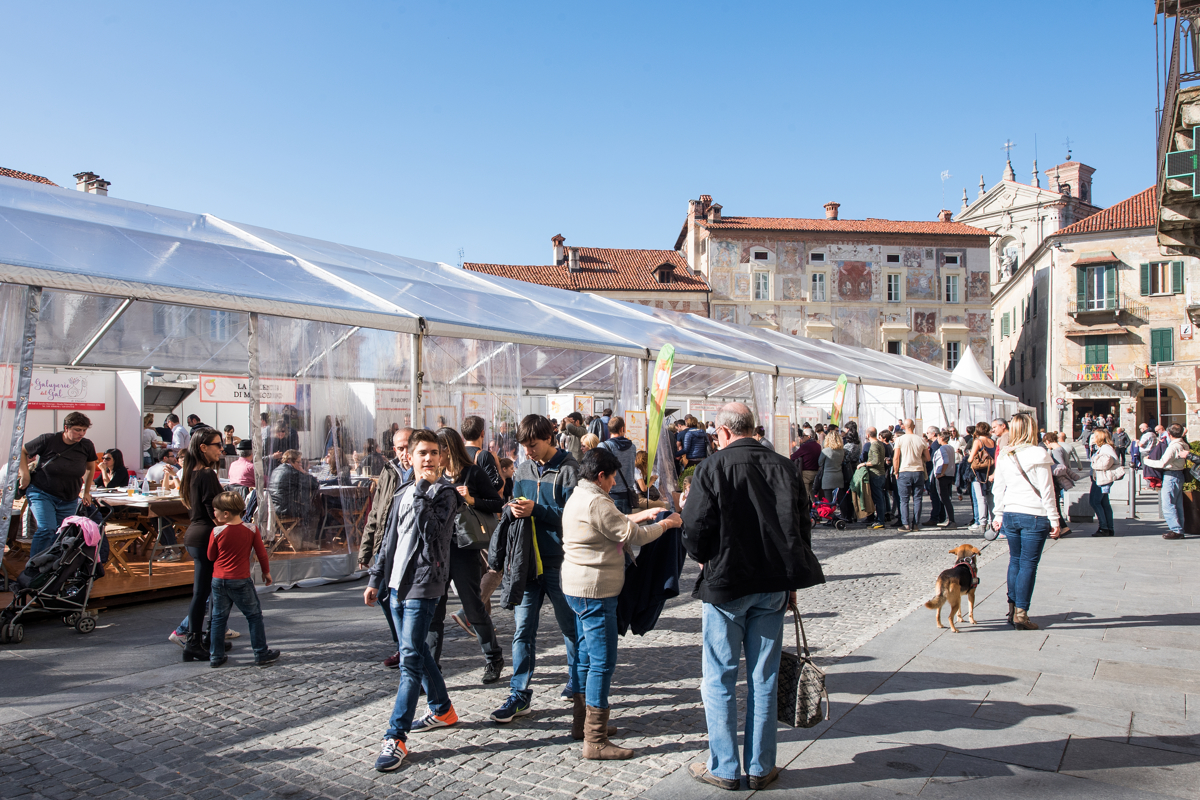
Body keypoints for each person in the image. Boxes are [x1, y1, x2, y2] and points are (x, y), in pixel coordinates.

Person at [682, 402, 824, 791]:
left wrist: (702, 558)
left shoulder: (712, 467)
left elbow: (694, 528)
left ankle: (725, 767)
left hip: (728, 581)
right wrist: (792, 581)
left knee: (719, 677)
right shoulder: (785, 466)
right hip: (773, 581)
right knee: (764, 677)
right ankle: (761, 766)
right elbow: (802, 527)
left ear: (724, 432)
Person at [562, 447, 682, 760]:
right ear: (600, 476)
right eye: (612, 476)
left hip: (577, 588)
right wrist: (667, 524)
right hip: (595, 591)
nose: (614, 482)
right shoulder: (597, 501)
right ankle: (595, 740)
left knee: (585, 657)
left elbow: (614, 523)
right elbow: (635, 536)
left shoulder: (580, 495)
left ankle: (582, 724)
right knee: (602, 662)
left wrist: (642, 515)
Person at [364, 430, 460, 772]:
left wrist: (421, 491)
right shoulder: (403, 490)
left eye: (434, 452)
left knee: (409, 662)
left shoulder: (444, 494)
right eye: (422, 452)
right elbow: (389, 540)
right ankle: (443, 709)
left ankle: (396, 736)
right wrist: (375, 579)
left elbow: (432, 534)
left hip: (425, 584)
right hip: (395, 585)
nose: (428, 458)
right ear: (411, 456)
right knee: (416, 650)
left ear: (442, 457)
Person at [490, 415, 581, 724]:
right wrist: (513, 507)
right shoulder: (524, 469)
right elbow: (516, 499)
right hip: (527, 562)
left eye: (533, 445)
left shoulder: (570, 470)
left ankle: (578, 681)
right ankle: (519, 693)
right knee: (523, 630)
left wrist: (538, 510)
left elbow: (576, 516)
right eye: (524, 447)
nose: (528, 452)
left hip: (560, 562)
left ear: (549, 438)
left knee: (570, 627)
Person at [429, 426, 506, 684]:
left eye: (436, 452)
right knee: (434, 611)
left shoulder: (472, 473)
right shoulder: (434, 476)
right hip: (438, 551)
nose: (432, 457)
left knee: (473, 606)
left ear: (448, 450)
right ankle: (431, 669)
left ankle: (493, 657)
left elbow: (496, 502)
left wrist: (472, 499)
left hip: (463, 549)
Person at [991, 412, 1061, 631]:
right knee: (1028, 564)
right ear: (1032, 430)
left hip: (1011, 512)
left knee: (1015, 561)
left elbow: (998, 488)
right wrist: (1054, 518)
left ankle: (1012, 609)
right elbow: (1047, 489)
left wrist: (998, 514)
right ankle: (1021, 613)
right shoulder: (1038, 453)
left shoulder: (1006, 454)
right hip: (1034, 513)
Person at [359, 427, 414, 669]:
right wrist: (366, 548)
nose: (404, 452)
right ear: (394, 449)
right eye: (400, 448)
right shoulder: (389, 470)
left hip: (410, 547)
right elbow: (377, 511)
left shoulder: (423, 471)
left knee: (407, 600)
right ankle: (403, 645)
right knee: (383, 594)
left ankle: (409, 649)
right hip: (386, 545)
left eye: (408, 446)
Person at [207, 491, 279, 667]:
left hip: (219, 579)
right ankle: (260, 652)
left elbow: (210, 556)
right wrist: (266, 572)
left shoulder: (216, 531)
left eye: (215, 510)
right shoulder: (251, 529)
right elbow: (261, 553)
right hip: (240, 579)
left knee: (218, 618)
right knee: (254, 616)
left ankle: (216, 656)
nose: (213, 513)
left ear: (226, 513)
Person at [19, 412, 98, 556]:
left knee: (62, 533)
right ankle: (34, 565)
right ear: (66, 428)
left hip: (69, 497)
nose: (81, 433)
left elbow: (90, 467)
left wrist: (86, 492)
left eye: (84, 430)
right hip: (42, 492)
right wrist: (25, 475)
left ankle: (52, 565)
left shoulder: (86, 445)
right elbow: (21, 451)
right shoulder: (48, 439)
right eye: (77, 430)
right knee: (46, 528)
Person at [179, 428, 227, 662]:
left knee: (209, 591)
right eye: (218, 445)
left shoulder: (191, 472)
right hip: (205, 536)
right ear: (203, 447)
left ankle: (207, 638)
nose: (221, 449)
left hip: (198, 535)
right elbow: (213, 509)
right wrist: (228, 529)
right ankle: (193, 642)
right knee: (203, 593)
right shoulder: (206, 473)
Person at [1142, 423, 1189, 540]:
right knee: (1178, 504)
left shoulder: (1173, 446)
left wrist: (1146, 461)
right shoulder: (1184, 444)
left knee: (1168, 504)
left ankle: (1176, 530)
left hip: (1171, 475)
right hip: (1179, 474)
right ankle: (1179, 528)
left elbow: (1162, 463)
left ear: (1169, 433)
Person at [268, 450, 322, 548]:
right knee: (315, 510)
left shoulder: (276, 470)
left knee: (306, 507)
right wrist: (304, 472)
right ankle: (307, 541)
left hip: (273, 508)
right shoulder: (293, 472)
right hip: (285, 509)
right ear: (290, 461)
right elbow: (315, 484)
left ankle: (296, 537)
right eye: (298, 462)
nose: (300, 464)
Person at [893, 419, 929, 532]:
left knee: (904, 500)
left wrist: (896, 471)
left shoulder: (899, 440)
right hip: (918, 471)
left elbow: (896, 457)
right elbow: (928, 458)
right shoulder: (921, 439)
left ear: (903, 427)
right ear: (914, 426)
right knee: (917, 499)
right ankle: (916, 524)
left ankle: (906, 524)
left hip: (904, 471)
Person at [598, 416, 637, 514]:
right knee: (626, 523)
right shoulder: (632, 447)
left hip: (610, 494)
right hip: (628, 495)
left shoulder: (603, 446)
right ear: (622, 429)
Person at [1087, 429, 1120, 538]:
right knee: (1104, 503)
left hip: (1101, 479)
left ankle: (1104, 527)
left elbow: (1106, 462)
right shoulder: (1104, 447)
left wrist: (1094, 464)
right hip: (1100, 478)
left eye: (1095, 436)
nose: (1093, 438)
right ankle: (1109, 528)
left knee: (1095, 501)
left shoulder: (1105, 448)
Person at [1041, 432, 1073, 538]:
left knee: (1055, 506)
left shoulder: (1057, 450)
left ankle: (1062, 527)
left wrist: (1049, 469)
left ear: (1048, 441)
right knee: (1055, 505)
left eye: (1046, 444)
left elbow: (1061, 467)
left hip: (1056, 481)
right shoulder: (1059, 449)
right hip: (1057, 481)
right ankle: (1060, 527)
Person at [966, 422, 996, 533]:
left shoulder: (978, 441)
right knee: (990, 498)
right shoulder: (992, 441)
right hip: (990, 471)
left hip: (979, 473)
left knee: (980, 499)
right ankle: (992, 521)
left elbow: (970, 459)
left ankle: (982, 523)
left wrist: (970, 454)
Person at [462, 415, 503, 492]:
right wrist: (497, 464)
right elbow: (497, 486)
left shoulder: (457, 453)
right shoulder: (483, 455)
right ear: (482, 433)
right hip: (477, 499)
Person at [862, 428, 887, 528]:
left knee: (878, 499)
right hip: (880, 474)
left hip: (876, 475)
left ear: (868, 435)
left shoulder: (874, 445)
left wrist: (864, 464)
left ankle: (880, 521)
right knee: (879, 498)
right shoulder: (880, 443)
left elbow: (876, 461)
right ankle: (879, 519)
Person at [931, 431, 956, 529]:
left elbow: (946, 461)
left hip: (943, 476)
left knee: (944, 498)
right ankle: (949, 519)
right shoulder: (951, 447)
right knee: (946, 498)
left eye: (938, 438)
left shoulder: (943, 448)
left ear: (941, 438)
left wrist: (942, 473)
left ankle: (951, 520)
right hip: (949, 474)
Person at [790, 429, 821, 504]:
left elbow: (794, 456)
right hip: (816, 472)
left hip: (806, 472)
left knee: (805, 494)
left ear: (808, 436)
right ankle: (817, 508)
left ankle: (806, 510)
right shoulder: (818, 446)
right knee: (814, 493)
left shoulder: (805, 446)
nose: (802, 437)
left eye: (803, 436)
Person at [816, 429, 846, 507]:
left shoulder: (825, 451)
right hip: (839, 476)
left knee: (828, 501)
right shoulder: (842, 451)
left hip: (828, 477)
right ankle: (843, 514)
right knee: (840, 499)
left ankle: (830, 514)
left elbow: (820, 463)